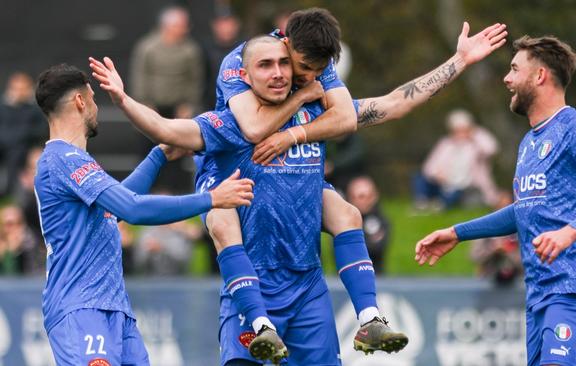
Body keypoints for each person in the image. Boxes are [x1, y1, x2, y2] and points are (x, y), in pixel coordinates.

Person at [90, 10, 508, 362]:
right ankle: (258, 322)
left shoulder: (316, 97)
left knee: (348, 212)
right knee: (220, 216)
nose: (288, 76)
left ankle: (369, 318)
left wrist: (459, 62)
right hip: (253, 266)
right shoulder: (236, 98)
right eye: (279, 67)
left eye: (299, 72)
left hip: (305, 282)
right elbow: (195, 129)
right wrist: (125, 100)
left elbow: (392, 103)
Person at [415, 35, 576, 366]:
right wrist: (458, 232)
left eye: (514, 69)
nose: (507, 78)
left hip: (574, 288)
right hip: (539, 295)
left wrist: (570, 231)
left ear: (540, 76)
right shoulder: (529, 143)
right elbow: (525, 211)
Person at [33, 63, 253, 365]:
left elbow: (116, 210)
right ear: (80, 102)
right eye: (94, 98)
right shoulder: (63, 159)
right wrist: (212, 198)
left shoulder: (75, 162)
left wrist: (159, 154)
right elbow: (132, 208)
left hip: (114, 310)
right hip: (81, 308)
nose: (96, 106)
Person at [412, 108, 499, 211]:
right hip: (444, 183)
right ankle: (422, 203)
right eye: (457, 130)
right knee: (419, 177)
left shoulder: (476, 145)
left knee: (455, 192)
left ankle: (441, 205)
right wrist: (437, 174)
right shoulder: (445, 144)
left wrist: (475, 134)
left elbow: (491, 149)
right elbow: (428, 167)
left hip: (467, 186)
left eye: (464, 129)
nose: (460, 133)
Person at [129, 5, 204, 119]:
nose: (185, 29)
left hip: (179, 108)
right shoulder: (148, 47)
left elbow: (195, 80)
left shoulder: (190, 50)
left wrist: (189, 105)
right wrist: (144, 103)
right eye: (180, 26)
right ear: (168, 26)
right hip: (152, 105)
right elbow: (140, 76)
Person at [0, 72, 48, 196]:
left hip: (25, 148)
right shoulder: (2, 107)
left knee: (18, 154)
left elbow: (41, 130)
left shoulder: (35, 109)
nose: (19, 92)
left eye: (22, 89)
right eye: (16, 89)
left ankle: (11, 191)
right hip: (5, 145)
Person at [469, 192, 522, 285]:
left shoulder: (520, 229)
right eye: (500, 208)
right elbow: (474, 256)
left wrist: (507, 251)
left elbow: (527, 260)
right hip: (487, 279)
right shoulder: (484, 228)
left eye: (506, 209)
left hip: (516, 281)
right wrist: (492, 250)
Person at [346, 176, 390, 275]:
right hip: (348, 278)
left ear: (375, 196)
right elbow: (343, 252)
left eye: (368, 196)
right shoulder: (342, 221)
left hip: (377, 277)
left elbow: (377, 249)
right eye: (359, 196)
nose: (363, 201)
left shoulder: (382, 220)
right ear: (350, 198)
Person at [202, 13, 243, 110]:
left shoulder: (245, 48)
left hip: (240, 101)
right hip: (211, 103)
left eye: (229, 25)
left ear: (236, 26)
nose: (226, 29)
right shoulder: (205, 49)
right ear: (215, 27)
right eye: (222, 26)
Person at [0, 205, 44, 275]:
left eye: (17, 223)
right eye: (7, 224)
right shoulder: (2, 241)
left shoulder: (30, 242)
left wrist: (11, 252)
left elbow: (12, 274)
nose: (12, 229)